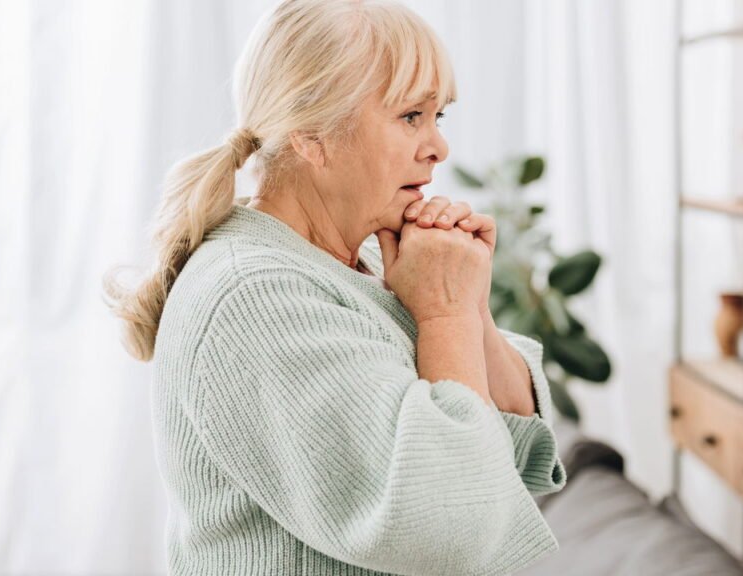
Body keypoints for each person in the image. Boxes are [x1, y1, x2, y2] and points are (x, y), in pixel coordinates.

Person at [102, 0, 566, 574]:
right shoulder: (252, 298)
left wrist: (465, 305)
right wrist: (444, 315)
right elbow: (450, 525)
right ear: (313, 136)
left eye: (437, 116)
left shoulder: (364, 256)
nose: (438, 147)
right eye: (410, 117)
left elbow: (519, 443)